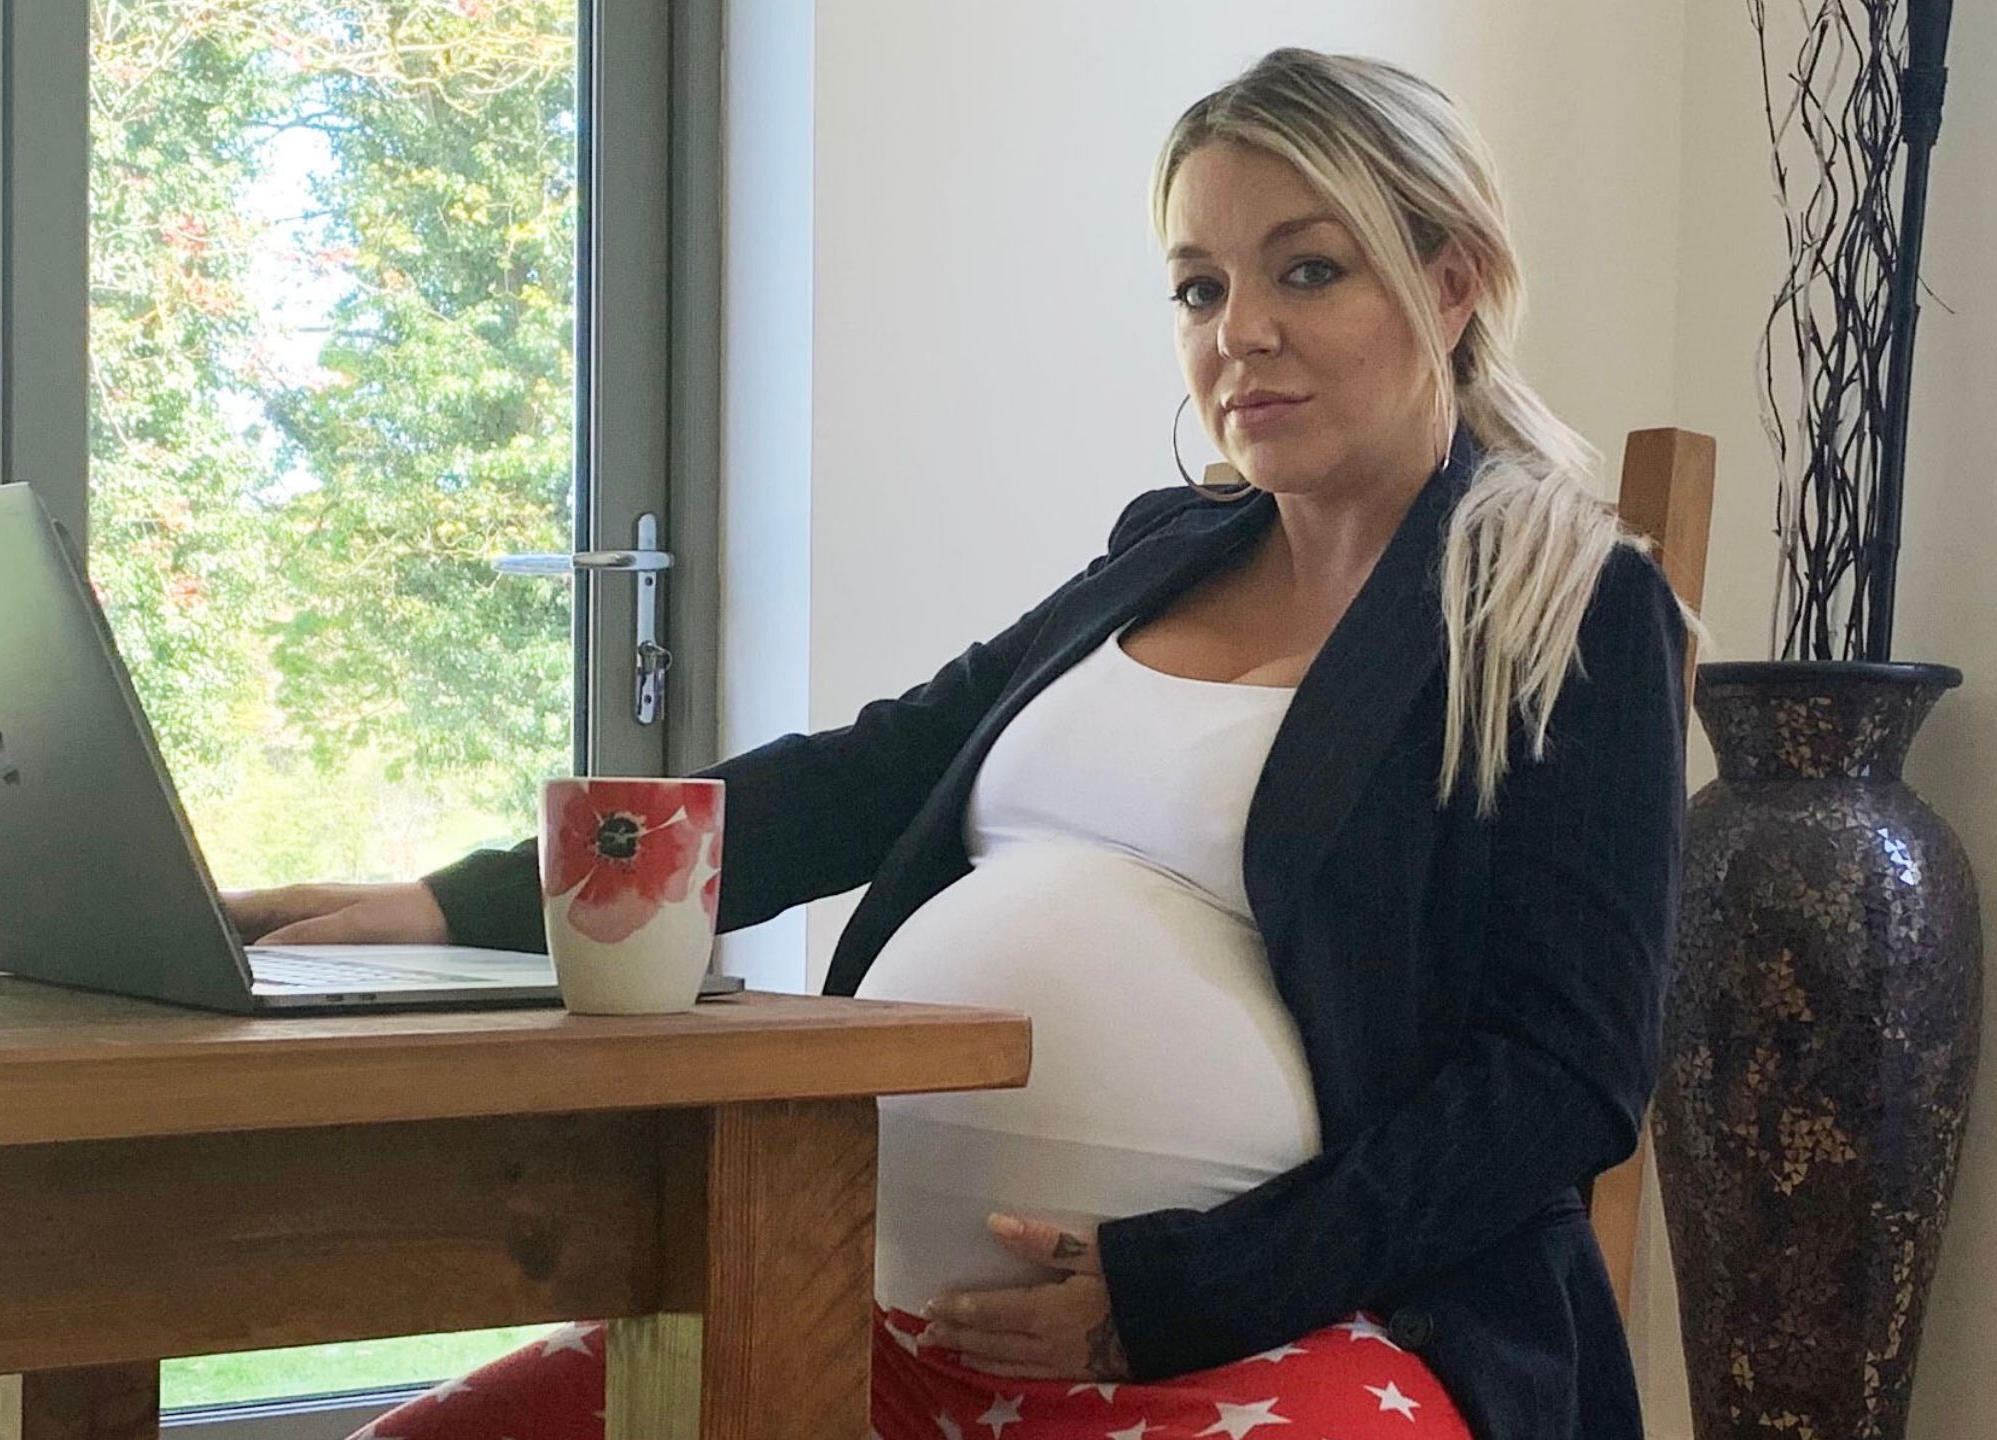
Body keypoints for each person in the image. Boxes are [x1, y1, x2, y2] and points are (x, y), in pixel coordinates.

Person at [225, 45, 1697, 1440]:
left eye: (1307, 269)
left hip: (1296, 1336)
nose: (1238, 333)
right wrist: (461, 910)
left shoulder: (1565, 610)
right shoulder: (1162, 556)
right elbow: (868, 777)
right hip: (869, 1315)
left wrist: (1174, 1293)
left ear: (1452, 286)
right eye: (1198, 287)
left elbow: (1562, 1077)